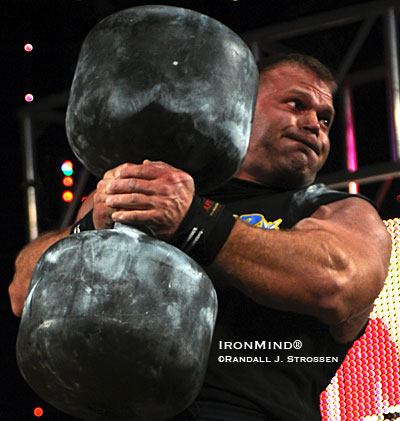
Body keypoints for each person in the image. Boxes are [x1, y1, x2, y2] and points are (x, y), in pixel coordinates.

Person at [9, 53, 392, 420]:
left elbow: (336, 282)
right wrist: (90, 227)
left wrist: (193, 221)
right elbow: (22, 293)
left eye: (325, 119)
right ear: (238, 108)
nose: (314, 124)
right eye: (296, 104)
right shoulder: (153, 185)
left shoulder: (337, 210)